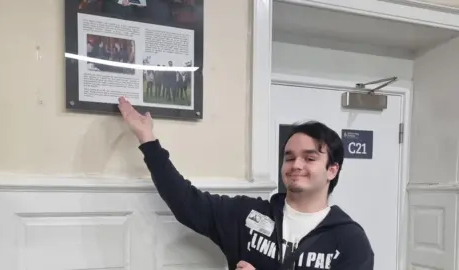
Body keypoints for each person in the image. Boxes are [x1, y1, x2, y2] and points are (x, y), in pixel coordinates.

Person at [117, 97, 374, 270]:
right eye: (289, 157)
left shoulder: (350, 240)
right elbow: (185, 202)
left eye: (309, 158)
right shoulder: (247, 216)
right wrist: (147, 140)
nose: (296, 165)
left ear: (332, 170)